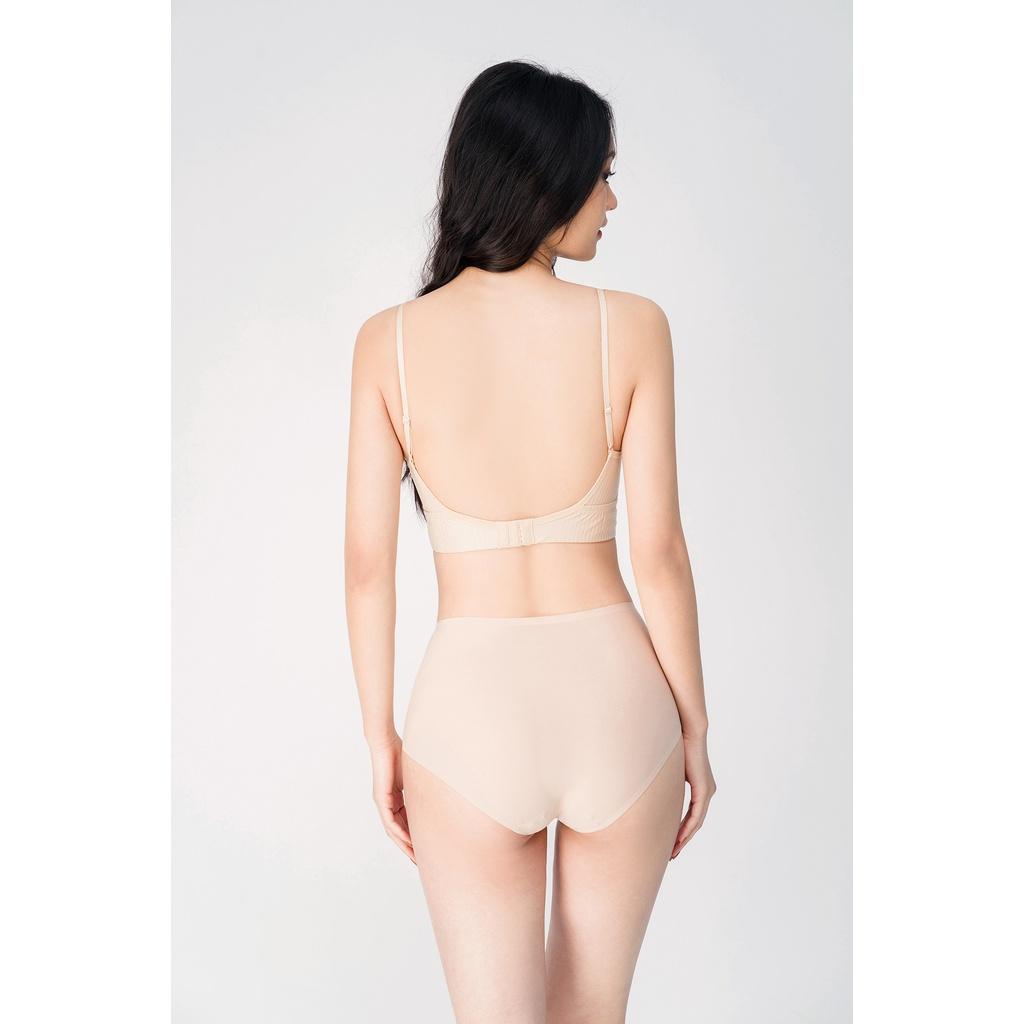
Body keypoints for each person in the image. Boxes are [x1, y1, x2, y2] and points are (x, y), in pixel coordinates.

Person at [345, 59, 715, 1024]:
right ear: (547, 178)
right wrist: (695, 729)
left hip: (468, 710)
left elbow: (367, 569)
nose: (612, 200)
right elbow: (661, 554)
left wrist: (380, 737)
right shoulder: (633, 327)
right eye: (603, 175)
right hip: (619, 702)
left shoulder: (389, 342)